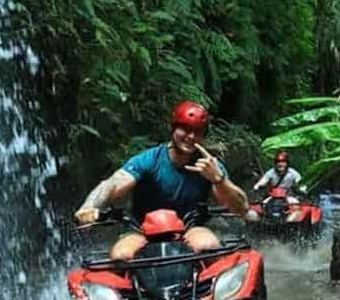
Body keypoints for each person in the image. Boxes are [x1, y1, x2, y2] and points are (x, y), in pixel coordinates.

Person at [74, 101, 249, 260]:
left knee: (208, 246)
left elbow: (241, 208)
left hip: (191, 228)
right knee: (121, 255)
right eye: (185, 129)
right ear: (173, 129)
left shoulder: (210, 165)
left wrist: (218, 179)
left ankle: (210, 292)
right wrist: (90, 206)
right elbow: (113, 183)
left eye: (197, 132)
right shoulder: (150, 159)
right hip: (142, 230)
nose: (190, 136)